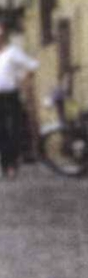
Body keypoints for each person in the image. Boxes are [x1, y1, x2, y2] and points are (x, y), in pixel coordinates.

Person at [0, 23, 38, 179]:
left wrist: (24, 81)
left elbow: (32, 65)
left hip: (11, 95)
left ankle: (12, 163)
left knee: (14, 130)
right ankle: (6, 165)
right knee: (1, 132)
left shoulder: (12, 52)